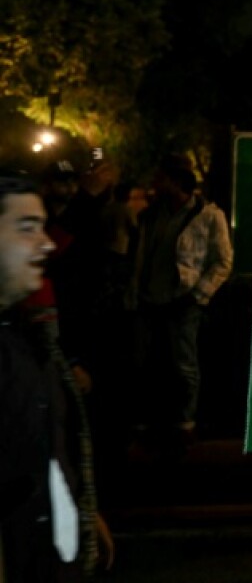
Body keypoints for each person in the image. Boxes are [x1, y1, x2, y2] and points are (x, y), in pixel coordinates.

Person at [0, 168, 113, 580]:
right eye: (27, 228)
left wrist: (79, 511)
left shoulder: (26, 340)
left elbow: (45, 451)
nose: (46, 244)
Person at [128, 154, 233, 451]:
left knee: (183, 365)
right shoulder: (151, 215)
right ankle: (146, 421)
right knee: (143, 363)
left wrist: (198, 295)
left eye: (161, 178)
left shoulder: (209, 215)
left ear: (175, 181)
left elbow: (222, 261)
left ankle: (184, 423)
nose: (155, 184)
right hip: (149, 298)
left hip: (183, 300)